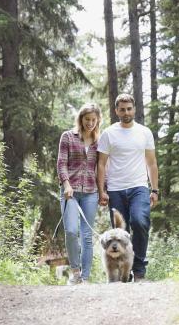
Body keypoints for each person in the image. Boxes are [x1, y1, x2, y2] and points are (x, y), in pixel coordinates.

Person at [97, 94, 159, 282]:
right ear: (116, 111)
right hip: (115, 189)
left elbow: (152, 163)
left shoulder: (144, 132)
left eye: (129, 109)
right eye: (122, 109)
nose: (126, 112)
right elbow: (101, 164)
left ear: (134, 109)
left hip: (139, 187)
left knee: (140, 222)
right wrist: (102, 190)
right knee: (120, 232)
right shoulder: (108, 133)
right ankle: (121, 270)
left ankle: (139, 270)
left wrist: (154, 189)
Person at [56, 103, 103, 285]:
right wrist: (66, 184)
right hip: (70, 192)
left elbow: (101, 168)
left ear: (98, 120)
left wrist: (102, 191)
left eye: (93, 120)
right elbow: (61, 163)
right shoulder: (68, 137)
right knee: (70, 231)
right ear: (81, 119)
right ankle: (75, 272)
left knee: (86, 235)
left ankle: (84, 277)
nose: (90, 123)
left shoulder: (100, 142)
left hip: (91, 192)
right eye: (87, 119)